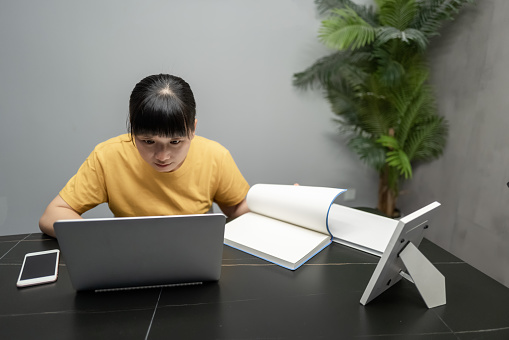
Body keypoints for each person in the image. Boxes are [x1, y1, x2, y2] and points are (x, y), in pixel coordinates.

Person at [39, 74, 250, 237]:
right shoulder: (107, 156)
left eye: (175, 142)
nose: (163, 156)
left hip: (195, 254)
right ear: (133, 128)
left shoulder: (215, 156)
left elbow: (237, 206)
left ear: (193, 129)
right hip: (129, 256)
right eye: (148, 142)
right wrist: (103, 239)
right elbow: (53, 214)